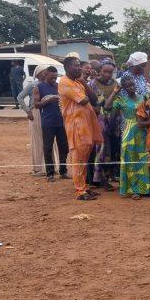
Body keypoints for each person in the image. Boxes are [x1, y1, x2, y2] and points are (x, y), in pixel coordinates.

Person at [58, 56, 103, 201]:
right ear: (67, 68)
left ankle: (84, 187)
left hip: (86, 124)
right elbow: (84, 100)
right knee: (78, 157)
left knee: (84, 157)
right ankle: (80, 191)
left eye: (79, 66)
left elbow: (94, 98)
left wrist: (83, 81)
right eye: (75, 66)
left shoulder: (78, 81)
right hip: (76, 125)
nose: (79, 68)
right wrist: (86, 85)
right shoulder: (65, 83)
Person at [105, 74, 150, 199]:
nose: (131, 87)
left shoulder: (143, 97)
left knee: (143, 159)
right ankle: (133, 189)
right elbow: (107, 107)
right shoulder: (121, 100)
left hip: (142, 131)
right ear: (124, 87)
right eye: (128, 85)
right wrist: (114, 92)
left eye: (133, 84)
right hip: (128, 132)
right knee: (130, 159)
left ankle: (144, 188)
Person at [88, 58, 120, 190]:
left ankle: (111, 175)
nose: (107, 75)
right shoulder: (92, 84)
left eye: (110, 72)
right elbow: (89, 103)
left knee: (113, 149)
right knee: (101, 150)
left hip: (115, 119)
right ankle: (100, 179)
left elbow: (119, 101)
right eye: (105, 72)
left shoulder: (115, 84)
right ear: (99, 71)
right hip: (99, 120)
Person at [32, 65, 69, 181]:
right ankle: (50, 174)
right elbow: (36, 105)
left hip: (61, 121)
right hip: (48, 122)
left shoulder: (58, 87)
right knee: (47, 148)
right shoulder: (38, 87)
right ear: (45, 75)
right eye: (51, 78)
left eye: (55, 78)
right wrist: (47, 100)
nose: (53, 80)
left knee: (64, 147)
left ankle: (63, 171)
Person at [16, 68, 45, 176]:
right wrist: (28, 112)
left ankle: (51, 166)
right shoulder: (33, 85)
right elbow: (20, 97)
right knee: (38, 140)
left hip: (46, 113)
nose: (46, 73)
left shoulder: (50, 84)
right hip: (36, 113)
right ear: (38, 74)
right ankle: (38, 168)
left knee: (49, 140)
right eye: (44, 71)